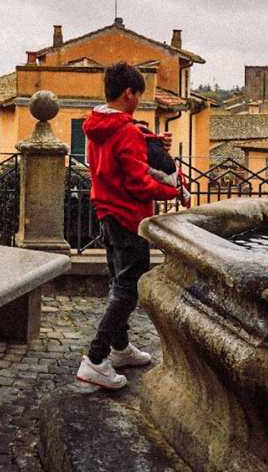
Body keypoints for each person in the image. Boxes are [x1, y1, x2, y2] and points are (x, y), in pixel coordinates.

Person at [76, 62, 181, 391]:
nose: (139, 100)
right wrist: (172, 191)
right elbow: (138, 183)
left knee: (118, 280)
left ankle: (120, 350)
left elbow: (122, 153)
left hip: (106, 210)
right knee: (128, 289)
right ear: (128, 93)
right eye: (138, 94)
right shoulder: (125, 131)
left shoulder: (98, 124)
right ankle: (95, 359)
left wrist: (151, 141)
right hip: (128, 215)